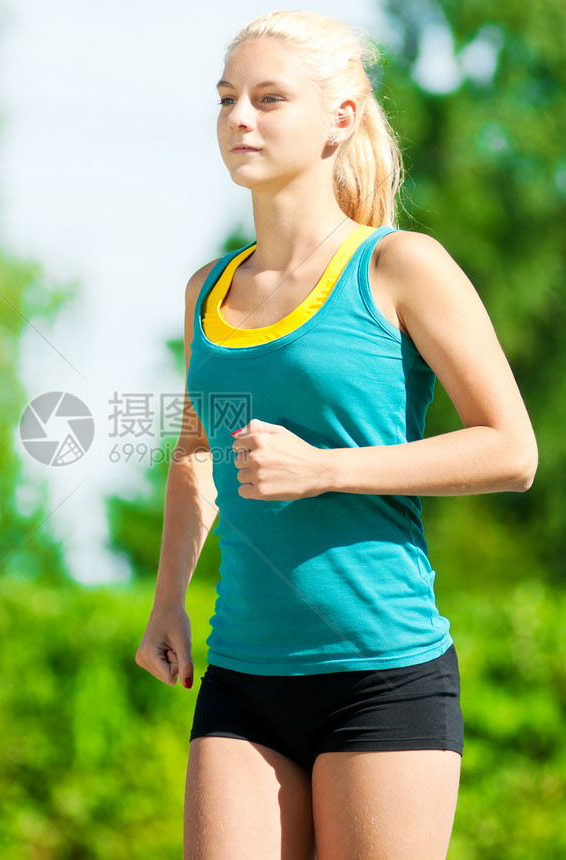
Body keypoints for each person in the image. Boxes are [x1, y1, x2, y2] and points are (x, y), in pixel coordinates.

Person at [135, 9, 537, 859]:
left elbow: (511, 449)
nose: (240, 117)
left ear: (340, 119)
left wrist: (325, 468)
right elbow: (196, 455)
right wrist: (168, 597)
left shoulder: (400, 267)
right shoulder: (206, 292)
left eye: (269, 98)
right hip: (242, 674)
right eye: (227, 98)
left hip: (382, 674)